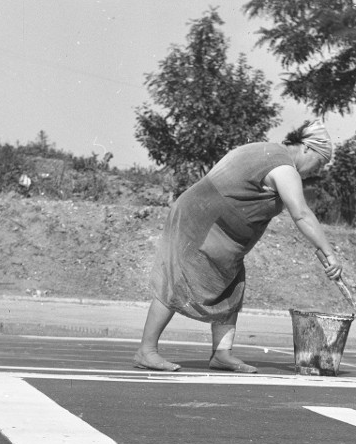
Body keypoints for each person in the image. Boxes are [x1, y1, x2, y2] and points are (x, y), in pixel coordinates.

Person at [133, 119, 343, 373]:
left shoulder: (270, 152)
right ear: (307, 148)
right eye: (319, 162)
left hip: (220, 229)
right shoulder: (283, 166)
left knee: (231, 285)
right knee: (178, 281)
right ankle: (147, 350)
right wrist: (329, 253)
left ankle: (222, 354)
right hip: (200, 220)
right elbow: (301, 214)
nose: (316, 170)